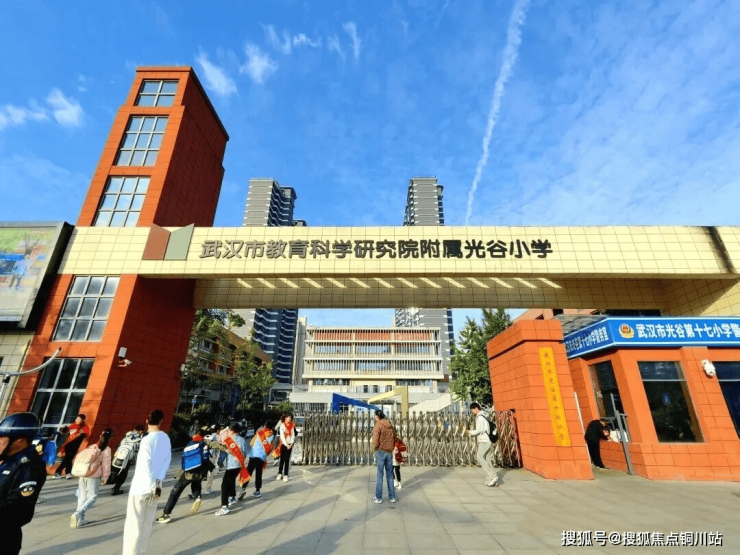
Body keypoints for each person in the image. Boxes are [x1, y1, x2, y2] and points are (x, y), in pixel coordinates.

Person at [122, 409, 171, 555]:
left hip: (141, 487)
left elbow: (145, 464)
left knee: (133, 526)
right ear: (161, 421)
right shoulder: (165, 438)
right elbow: (167, 461)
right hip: (156, 487)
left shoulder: (147, 440)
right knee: (147, 524)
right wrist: (158, 482)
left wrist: (150, 484)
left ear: (146, 421)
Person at [0, 412, 47, 555]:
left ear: (19, 440)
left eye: (1, 438)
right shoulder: (8, 460)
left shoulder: (29, 466)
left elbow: (19, 510)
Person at [156, 427, 215, 524]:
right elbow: (216, 447)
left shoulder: (191, 442)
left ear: (195, 435)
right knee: (196, 484)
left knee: (176, 490)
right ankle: (197, 497)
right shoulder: (205, 443)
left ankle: (166, 514)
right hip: (201, 472)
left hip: (189, 472)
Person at [70, 428, 113, 528]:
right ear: (110, 438)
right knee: (92, 497)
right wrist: (106, 477)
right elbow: (106, 465)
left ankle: (80, 520)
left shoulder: (91, 446)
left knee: (82, 497)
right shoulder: (106, 449)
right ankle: (78, 513)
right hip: (93, 476)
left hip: (83, 474)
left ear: (100, 436)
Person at [213, 423, 249, 516]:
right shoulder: (242, 439)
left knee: (224, 485)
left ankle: (224, 507)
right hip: (239, 464)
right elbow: (245, 454)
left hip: (231, 465)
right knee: (231, 480)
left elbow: (224, 450)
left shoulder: (229, 440)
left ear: (232, 431)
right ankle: (232, 498)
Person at [238, 420, 276, 501]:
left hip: (254, 455)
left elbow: (251, 443)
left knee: (248, 473)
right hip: (262, 457)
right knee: (259, 474)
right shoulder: (272, 436)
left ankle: (243, 489)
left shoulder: (259, 433)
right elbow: (270, 449)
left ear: (265, 426)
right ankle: (257, 491)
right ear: (272, 427)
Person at [469, 402, 499, 487]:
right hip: (487, 439)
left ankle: (492, 476)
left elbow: (480, 430)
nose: (472, 412)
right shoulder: (484, 415)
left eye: (472, 410)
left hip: (484, 440)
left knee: (480, 457)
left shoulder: (480, 417)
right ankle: (491, 477)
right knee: (487, 459)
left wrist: (471, 432)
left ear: (476, 408)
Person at [111, 424, 145, 495]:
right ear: (141, 431)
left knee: (115, 471)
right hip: (127, 459)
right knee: (123, 474)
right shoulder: (138, 440)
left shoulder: (126, 436)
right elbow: (137, 451)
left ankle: (112, 482)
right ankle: (116, 488)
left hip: (118, 457)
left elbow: (120, 445)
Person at [54, 414, 90, 479]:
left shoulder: (85, 427)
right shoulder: (72, 425)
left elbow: (86, 434)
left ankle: (60, 472)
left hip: (76, 445)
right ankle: (66, 473)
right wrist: (65, 428)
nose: (77, 420)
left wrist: (81, 434)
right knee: (68, 458)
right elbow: (63, 431)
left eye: (79, 419)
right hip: (68, 444)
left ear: (83, 420)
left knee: (68, 458)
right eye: (76, 419)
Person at [372, 410, 397, 504]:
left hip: (381, 451)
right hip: (389, 452)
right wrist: (391, 446)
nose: (375, 418)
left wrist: (375, 448)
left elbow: (375, 439)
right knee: (390, 474)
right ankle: (392, 497)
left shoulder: (378, 425)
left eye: (375, 416)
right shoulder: (389, 425)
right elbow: (395, 437)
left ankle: (378, 498)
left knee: (380, 475)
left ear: (378, 417)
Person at [276, 413, 295, 482]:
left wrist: (291, 443)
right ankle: (280, 473)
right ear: (285, 418)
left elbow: (293, 435)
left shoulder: (292, 425)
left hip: (290, 444)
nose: (289, 418)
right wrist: (286, 445)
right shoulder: (282, 425)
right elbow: (282, 436)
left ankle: (286, 475)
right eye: (288, 417)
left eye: (290, 417)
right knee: (282, 459)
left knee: (287, 460)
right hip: (283, 444)